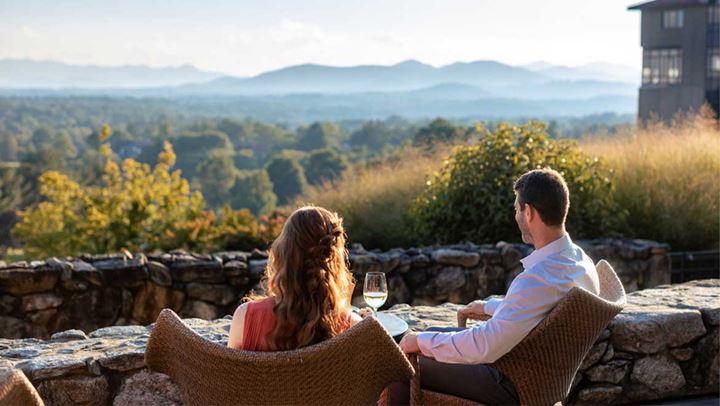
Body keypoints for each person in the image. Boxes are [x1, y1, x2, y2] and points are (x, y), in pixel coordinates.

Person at [394, 168, 601, 405]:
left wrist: (419, 342)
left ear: (529, 212)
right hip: (538, 380)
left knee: (398, 361)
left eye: (516, 209)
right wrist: (491, 307)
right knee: (430, 333)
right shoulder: (580, 261)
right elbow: (541, 310)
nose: (516, 216)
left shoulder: (538, 278)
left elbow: (485, 345)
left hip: (510, 383)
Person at [228, 205, 361, 351]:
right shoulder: (353, 329)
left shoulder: (245, 317)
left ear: (282, 254)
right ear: (336, 259)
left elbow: (232, 372)